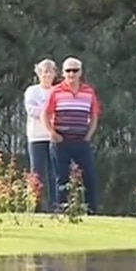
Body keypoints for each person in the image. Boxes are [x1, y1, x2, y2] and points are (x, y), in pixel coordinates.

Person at [43, 56, 101, 213]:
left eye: (75, 70)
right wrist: (52, 133)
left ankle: (91, 210)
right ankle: (61, 210)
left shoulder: (88, 92)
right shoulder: (55, 91)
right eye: (68, 71)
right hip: (61, 142)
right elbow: (45, 114)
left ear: (80, 72)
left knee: (89, 176)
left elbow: (94, 115)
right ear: (63, 73)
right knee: (61, 178)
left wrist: (88, 135)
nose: (71, 74)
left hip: (81, 141)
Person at [24, 58, 59, 211]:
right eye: (44, 71)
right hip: (36, 136)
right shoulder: (32, 91)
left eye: (50, 72)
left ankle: (55, 205)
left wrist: (47, 112)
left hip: (53, 136)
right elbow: (31, 110)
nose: (47, 75)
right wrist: (47, 112)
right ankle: (36, 205)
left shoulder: (57, 91)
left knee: (54, 172)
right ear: (39, 73)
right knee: (37, 172)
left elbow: (60, 111)